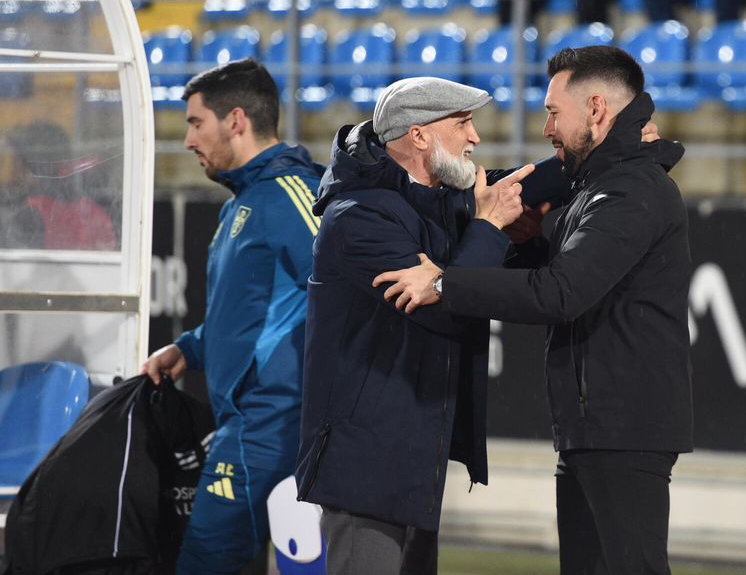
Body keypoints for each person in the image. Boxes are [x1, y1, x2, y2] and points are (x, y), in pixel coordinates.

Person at [374, 46, 693, 575]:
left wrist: (446, 284)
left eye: (552, 113)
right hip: (595, 430)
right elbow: (571, 276)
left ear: (596, 109)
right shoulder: (603, 184)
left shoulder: (631, 190)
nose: (546, 129)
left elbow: (560, 293)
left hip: (623, 431)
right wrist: (524, 244)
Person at [294, 76, 536, 574]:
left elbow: (522, 197)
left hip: (413, 457)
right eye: (463, 123)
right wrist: (489, 228)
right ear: (420, 135)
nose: (475, 138)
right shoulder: (357, 217)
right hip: (365, 465)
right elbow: (447, 310)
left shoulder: (438, 202)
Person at [139, 58, 324, 575]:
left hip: (272, 427)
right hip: (247, 425)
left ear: (236, 120)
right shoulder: (242, 203)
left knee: (204, 561)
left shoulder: (294, 195)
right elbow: (250, 316)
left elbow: (349, 294)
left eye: (196, 123)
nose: (188, 141)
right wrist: (188, 348)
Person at [0, 121, 116, 250]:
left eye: (15, 159)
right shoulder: (95, 213)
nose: (12, 168)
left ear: (25, 165)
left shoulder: (27, 215)